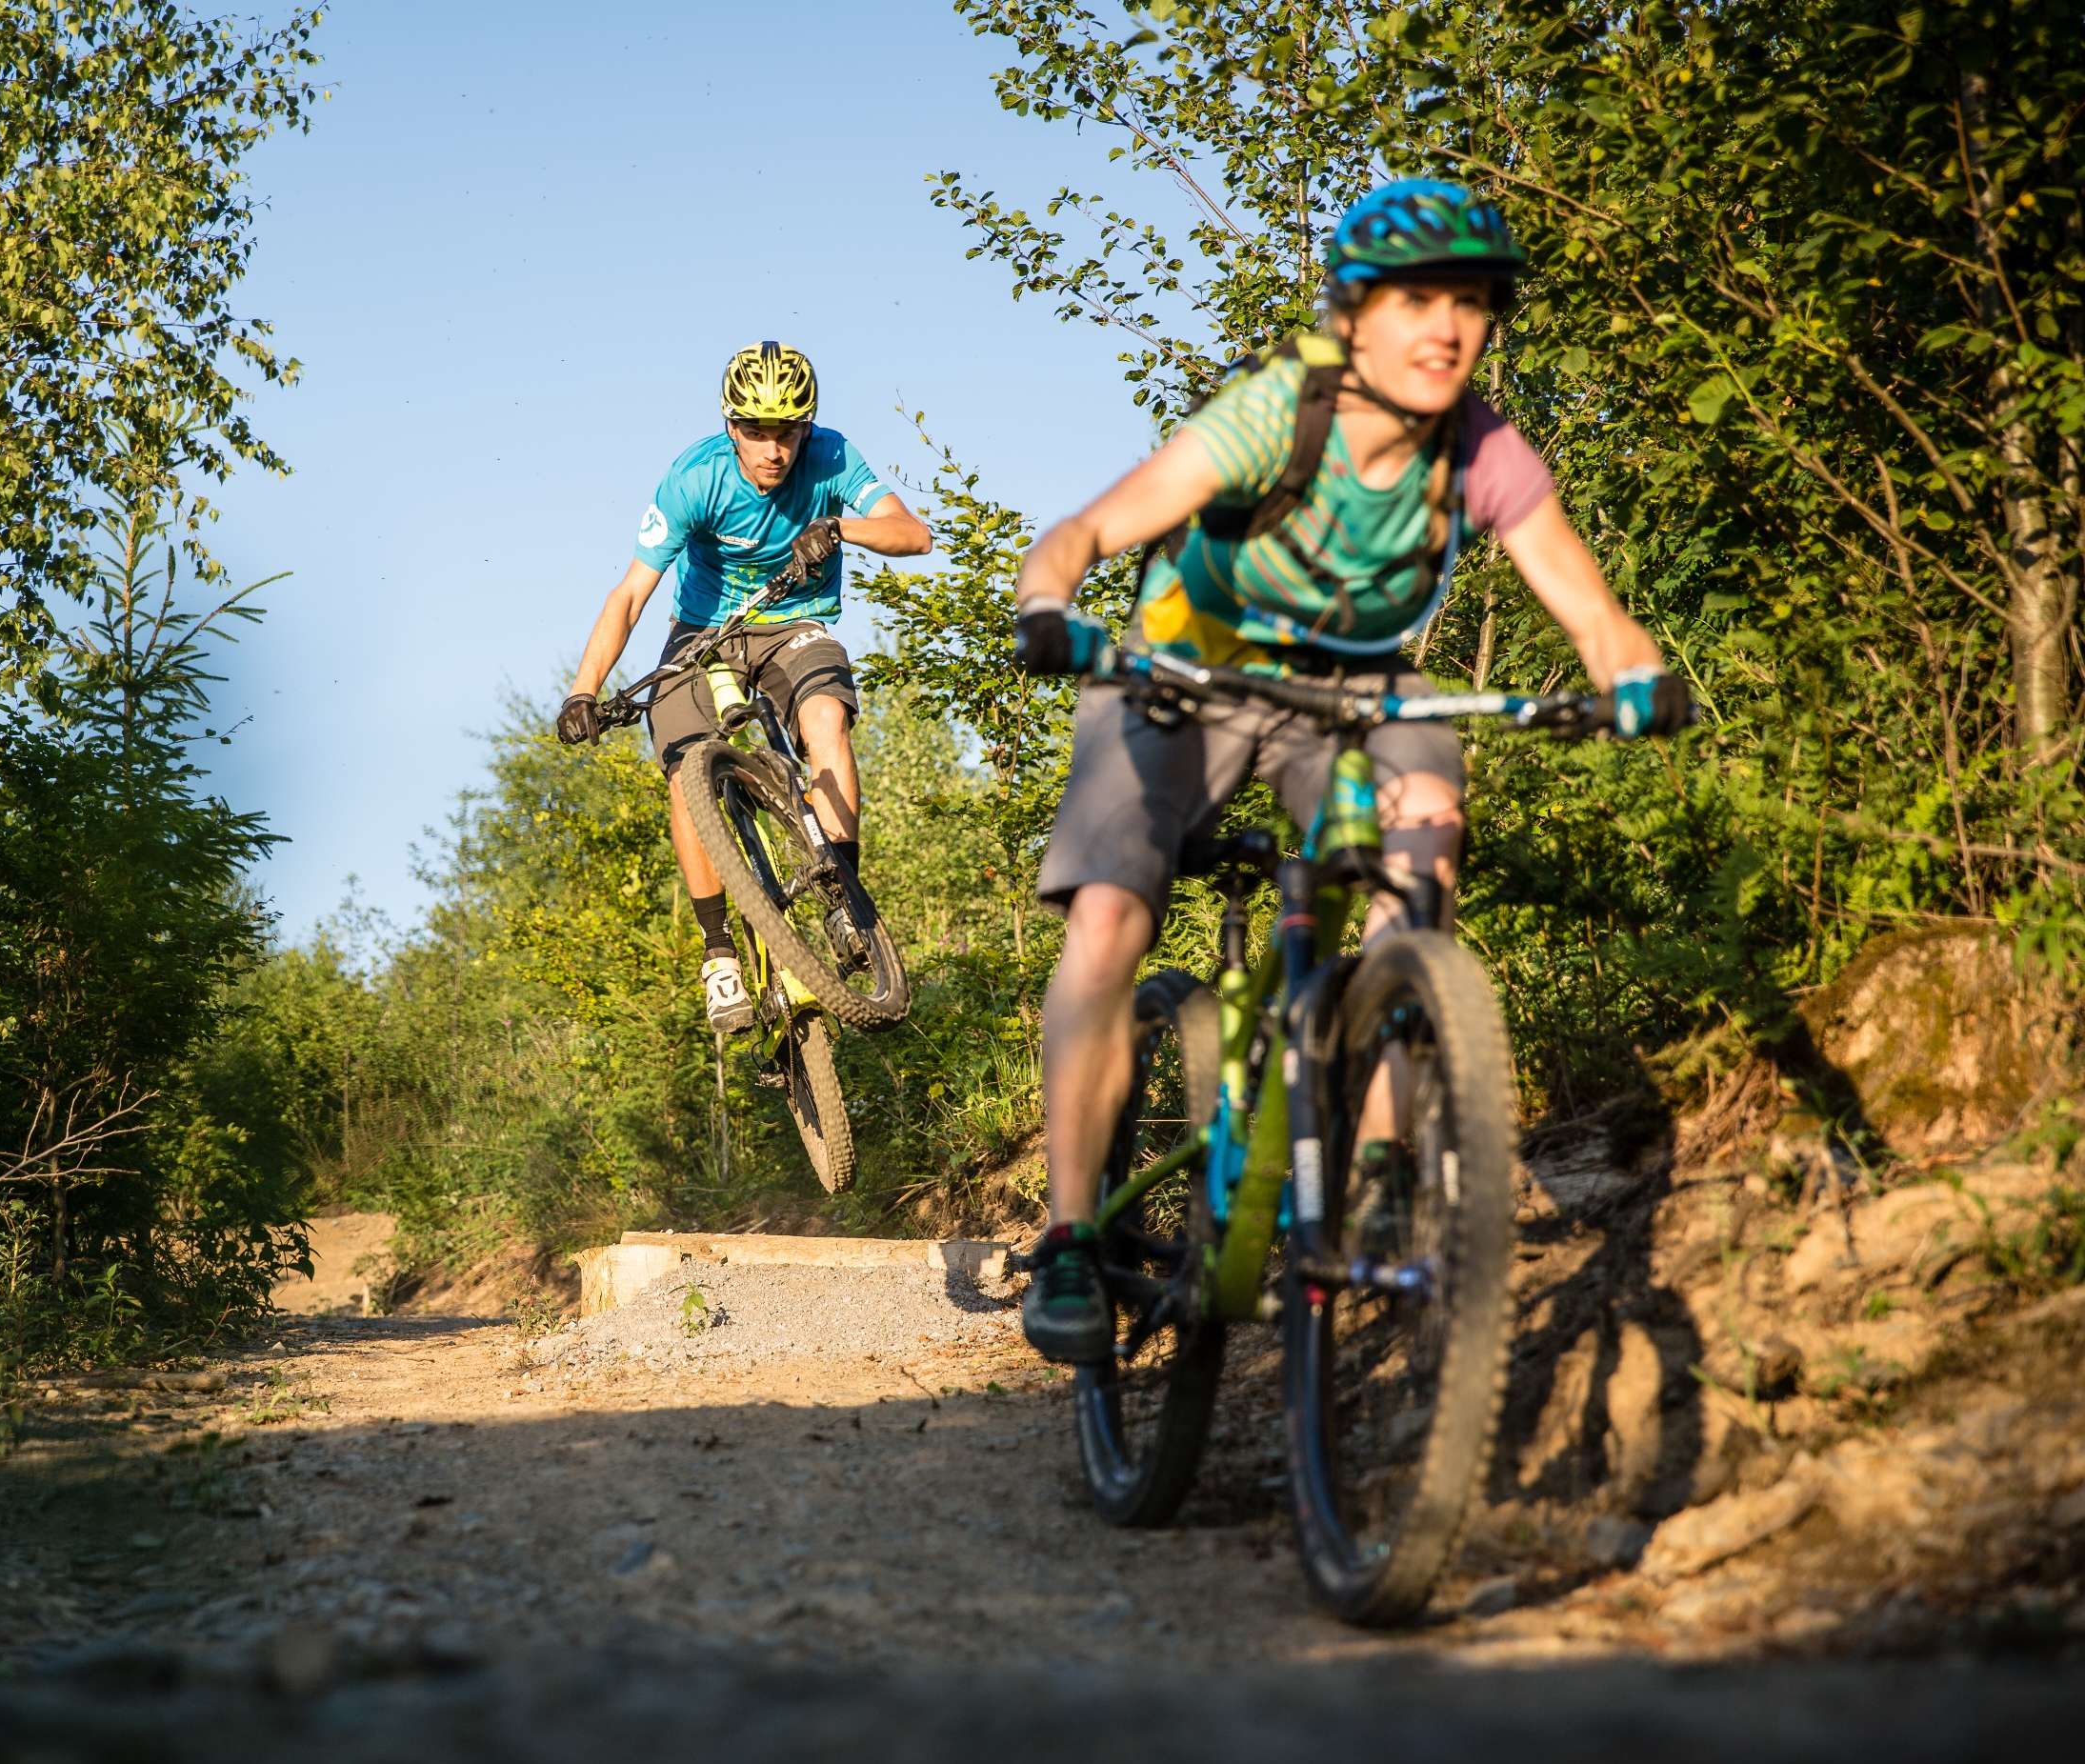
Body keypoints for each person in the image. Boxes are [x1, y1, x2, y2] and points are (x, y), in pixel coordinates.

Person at [1004, 179, 1694, 1362]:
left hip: (1351, 686)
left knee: (1425, 827)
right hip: (1184, 668)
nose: (1448, 328)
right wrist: (1048, 606)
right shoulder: (1279, 412)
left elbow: (1593, 613)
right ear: (1352, 317)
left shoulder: (1480, 447)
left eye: (1470, 303)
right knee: (1111, 912)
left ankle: (1378, 1166)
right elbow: (1087, 530)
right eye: (1417, 300)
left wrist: (1634, 677)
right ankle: (1070, 1238)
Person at [555, 341, 932, 1033]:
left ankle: (844, 898)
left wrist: (838, 527)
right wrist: (584, 691)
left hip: (795, 624)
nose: (773, 450)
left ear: (807, 427)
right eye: (757, 432)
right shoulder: (693, 478)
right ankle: (719, 953)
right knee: (684, 772)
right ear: (731, 426)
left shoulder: (832, 457)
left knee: (826, 720)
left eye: (787, 431)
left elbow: (914, 534)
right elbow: (630, 595)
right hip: (701, 633)